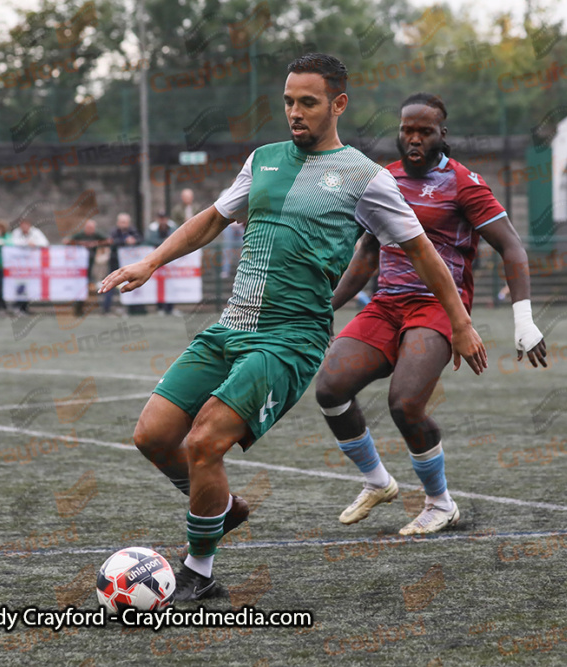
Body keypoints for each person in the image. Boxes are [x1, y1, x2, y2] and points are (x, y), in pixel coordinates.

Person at [99, 53, 491, 602]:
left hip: (291, 338)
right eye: (288, 102)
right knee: (153, 436)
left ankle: (199, 569)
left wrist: (461, 322)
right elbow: (212, 219)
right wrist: (151, 261)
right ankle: (219, 507)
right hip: (233, 325)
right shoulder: (262, 160)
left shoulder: (365, 177)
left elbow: (422, 252)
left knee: (205, 441)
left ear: (338, 104)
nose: (295, 113)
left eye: (307, 102)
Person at [315, 93, 546, 536]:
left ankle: (440, 504)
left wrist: (524, 319)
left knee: (404, 403)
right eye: (407, 130)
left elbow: (512, 246)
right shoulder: (384, 179)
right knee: (330, 388)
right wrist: (323, 310)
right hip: (387, 304)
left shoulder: (463, 183)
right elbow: (366, 254)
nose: (414, 138)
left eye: (425, 131)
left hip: (439, 306)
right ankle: (377, 482)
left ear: (443, 134)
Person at [65, 219, 109, 317]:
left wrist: (96, 244)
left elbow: (108, 240)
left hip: (92, 266)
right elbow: (67, 241)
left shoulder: (96, 235)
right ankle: (78, 309)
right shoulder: (80, 235)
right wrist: (81, 244)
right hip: (79, 267)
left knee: (90, 287)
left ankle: (86, 307)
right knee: (80, 288)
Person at [106, 213, 143, 315]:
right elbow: (111, 242)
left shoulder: (133, 230)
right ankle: (106, 308)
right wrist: (124, 241)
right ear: (118, 223)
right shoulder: (114, 232)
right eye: (122, 222)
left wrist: (134, 241)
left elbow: (141, 239)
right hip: (115, 263)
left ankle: (134, 308)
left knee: (131, 284)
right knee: (111, 283)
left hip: (129, 264)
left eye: (125, 222)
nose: (124, 224)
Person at [10, 218, 49, 314]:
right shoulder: (16, 233)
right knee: (20, 285)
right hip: (19, 265)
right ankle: (17, 305)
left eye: (26, 225)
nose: (24, 227)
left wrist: (34, 244)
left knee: (28, 286)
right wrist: (26, 243)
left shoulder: (36, 232)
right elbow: (11, 243)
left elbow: (45, 243)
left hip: (32, 265)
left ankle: (24, 307)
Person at [144, 210, 180, 315]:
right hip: (157, 259)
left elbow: (177, 239)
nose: (163, 220)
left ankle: (170, 307)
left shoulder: (172, 226)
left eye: (164, 218)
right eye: (161, 218)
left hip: (170, 259)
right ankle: (160, 307)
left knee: (171, 283)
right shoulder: (152, 228)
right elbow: (150, 240)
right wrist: (164, 242)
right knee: (158, 283)